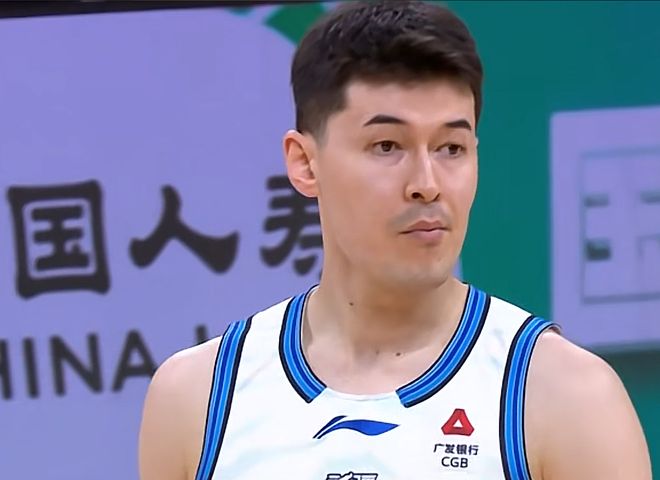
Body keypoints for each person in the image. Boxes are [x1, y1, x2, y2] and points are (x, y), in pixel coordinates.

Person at [138, 1, 652, 479]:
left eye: (451, 148)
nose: (427, 183)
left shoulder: (567, 398)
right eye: (387, 145)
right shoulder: (199, 398)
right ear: (304, 163)